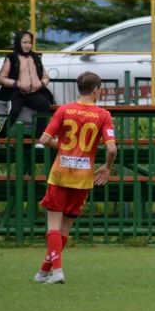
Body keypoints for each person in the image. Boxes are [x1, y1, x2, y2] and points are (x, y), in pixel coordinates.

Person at [32, 72, 117, 285]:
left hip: (61, 173)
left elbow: (43, 138)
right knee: (65, 227)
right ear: (97, 90)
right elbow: (112, 148)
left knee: (53, 225)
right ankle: (44, 271)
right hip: (83, 177)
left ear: (79, 89)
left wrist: (63, 146)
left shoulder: (64, 110)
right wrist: (107, 167)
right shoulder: (103, 114)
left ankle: (57, 271)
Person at [0, 31, 54, 138]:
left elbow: (45, 77)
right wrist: (16, 83)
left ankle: (39, 138)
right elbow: (1, 78)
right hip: (17, 92)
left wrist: (40, 84)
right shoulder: (12, 58)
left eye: (30, 43)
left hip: (33, 93)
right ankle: (0, 137)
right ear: (18, 43)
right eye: (24, 42)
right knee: (13, 111)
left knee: (44, 104)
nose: (28, 45)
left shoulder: (36, 57)